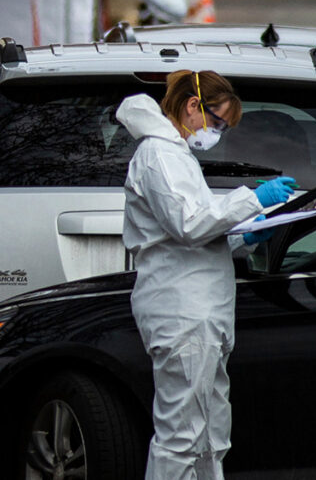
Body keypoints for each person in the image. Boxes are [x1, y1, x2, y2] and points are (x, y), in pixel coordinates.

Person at [116, 70, 296, 478]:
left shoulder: (177, 156)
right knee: (180, 437)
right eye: (217, 123)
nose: (217, 133)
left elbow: (201, 235)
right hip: (182, 313)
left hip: (202, 313)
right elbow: (189, 224)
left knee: (212, 435)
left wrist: (249, 235)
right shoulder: (158, 155)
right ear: (193, 106)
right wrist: (251, 199)